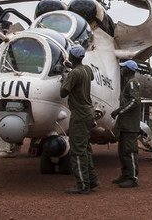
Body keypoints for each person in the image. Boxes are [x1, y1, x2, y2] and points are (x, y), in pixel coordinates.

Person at [60, 44, 99, 194]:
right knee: (86, 149)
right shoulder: (87, 69)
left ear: (72, 57)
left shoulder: (74, 74)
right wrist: (71, 68)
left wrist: (65, 78)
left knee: (77, 151)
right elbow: (87, 76)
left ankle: (83, 184)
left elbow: (63, 92)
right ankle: (92, 180)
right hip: (88, 114)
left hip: (79, 116)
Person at [110, 60, 141, 188]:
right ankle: (125, 174)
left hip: (130, 125)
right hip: (125, 125)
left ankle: (133, 178)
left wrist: (119, 111)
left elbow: (135, 101)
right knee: (123, 152)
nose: (121, 70)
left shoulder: (132, 83)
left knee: (130, 151)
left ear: (128, 70)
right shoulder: (128, 83)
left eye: (123, 69)